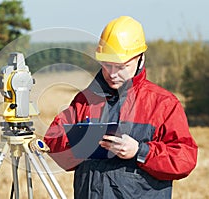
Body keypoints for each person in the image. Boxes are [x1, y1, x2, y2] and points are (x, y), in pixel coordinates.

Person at [43, 16, 198, 199]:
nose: (112, 74)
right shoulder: (85, 100)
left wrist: (140, 152)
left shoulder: (163, 104)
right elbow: (53, 138)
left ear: (140, 59)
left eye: (121, 67)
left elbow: (185, 159)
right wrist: (80, 144)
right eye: (107, 65)